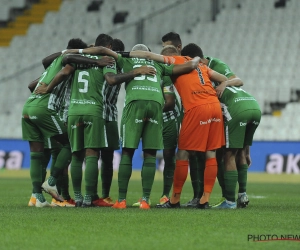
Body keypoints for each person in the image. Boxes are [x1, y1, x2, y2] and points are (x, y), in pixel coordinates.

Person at [36, 37, 156, 207]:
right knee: (98, 156)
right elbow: (113, 79)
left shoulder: (81, 60)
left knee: (78, 154)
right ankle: (94, 196)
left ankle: (77, 197)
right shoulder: (111, 62)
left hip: (79, 110)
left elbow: (57, 65)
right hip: (101, 113)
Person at [180, 43, 261, 208]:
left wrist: (224, 83)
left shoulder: (214, 66)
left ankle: (229, 201)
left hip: (232, 110)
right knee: (239, 154)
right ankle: (241, 195)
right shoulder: (197, 70)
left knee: (227, 155)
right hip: (252, 106)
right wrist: (247, 149)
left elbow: (238, 81)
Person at [22, 38, 90, 207]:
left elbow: (31, 84)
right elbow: (66, 71)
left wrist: (43, 87)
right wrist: (49, 89)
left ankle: (36, 196)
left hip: (28, 108)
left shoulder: (52, 65)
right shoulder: (68, 63)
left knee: (37, 154)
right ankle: (52, 183)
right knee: (71, 143)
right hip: (46, 109)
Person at [161, 32, 204, 207]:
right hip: (188, 114)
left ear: (177, 48)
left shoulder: (191, 66)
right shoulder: (169, 69)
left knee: (192, 154)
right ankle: (193, 197)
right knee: (189, 154)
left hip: (195, 112)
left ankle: (192, 197)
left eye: (167, 48)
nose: (164, 53)